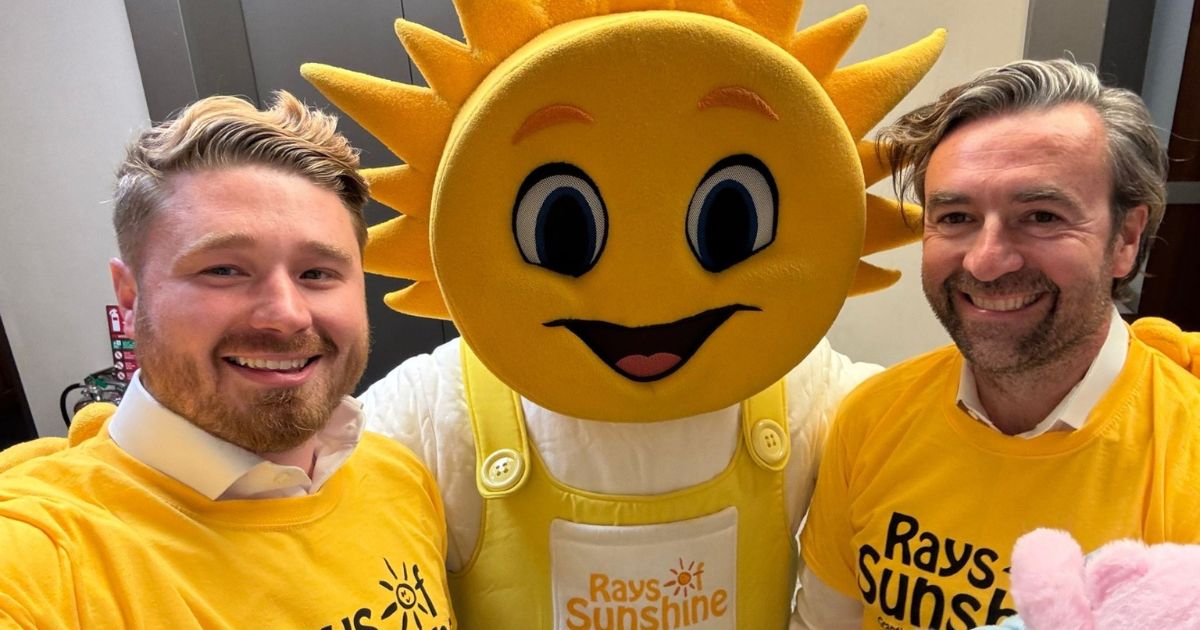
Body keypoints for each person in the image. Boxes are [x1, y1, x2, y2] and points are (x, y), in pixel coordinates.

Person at [0, 93, 455, 629]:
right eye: (223, 270)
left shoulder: (399, 477)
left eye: (317, 274)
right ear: (129, 296)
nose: (285, 316)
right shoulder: (42, 559)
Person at [796, 58, 1200, 630]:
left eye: (1040, 215)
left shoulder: (1187, 458)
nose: (986, 261)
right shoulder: (871, 419)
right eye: (956, 216)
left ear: (1125, 240)